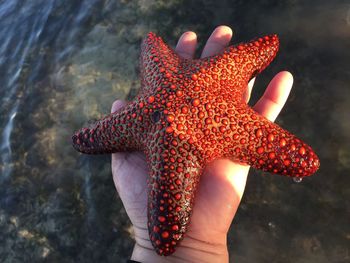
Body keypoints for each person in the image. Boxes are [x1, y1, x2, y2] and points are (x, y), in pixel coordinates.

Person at [110, 25, 293, 263]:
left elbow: (152, 48)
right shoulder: (219, 106)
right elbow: (151, 48)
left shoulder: (160, 76)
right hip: (197, 91)